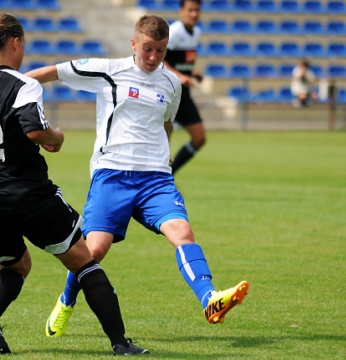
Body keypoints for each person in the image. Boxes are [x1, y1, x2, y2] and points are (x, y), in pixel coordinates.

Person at [0, 13, 147, 356]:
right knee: (84, 259)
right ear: (16, 43)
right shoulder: (24, 85)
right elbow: (34, 130)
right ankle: (120, 343)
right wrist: (55, 137)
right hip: (27, 193)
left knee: (16, 265)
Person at [25, 15, 248, 339]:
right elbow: (53, 72)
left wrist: (163, 151)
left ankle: (209, 299)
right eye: (147, 49)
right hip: (112, 175)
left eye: (160, 50)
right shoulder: (109, 71)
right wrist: (11, 86)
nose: (154, 57)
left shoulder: (171, 83)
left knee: (182, 231)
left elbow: (167, 123)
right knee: (93, 251)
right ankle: (66, 300)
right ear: (133, 44)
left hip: (155, 179)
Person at [162, 0, 206, 175]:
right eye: (190, 10)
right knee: (163, 144)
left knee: (199, 138)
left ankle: (170, 175)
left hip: (184, 94)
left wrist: (193, 72)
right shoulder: (174, 32)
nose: (194, 14)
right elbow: (162, 60)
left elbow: (179, 61)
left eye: (197, 10)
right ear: (181, 11)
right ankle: (156, 181)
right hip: (169, 93)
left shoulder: (195, 32)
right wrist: (180, 76)